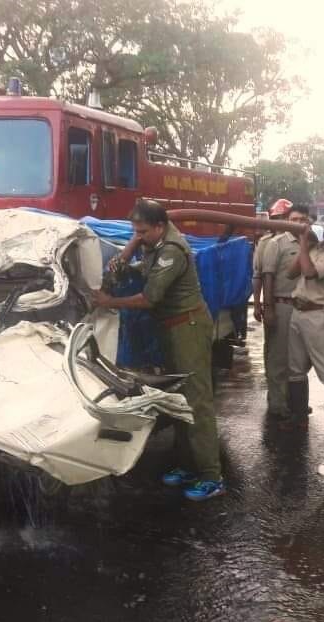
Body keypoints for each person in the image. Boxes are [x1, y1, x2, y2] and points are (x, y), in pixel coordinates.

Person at [94, 199, 224, 501]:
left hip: (188, 327)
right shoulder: (153, 242)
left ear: (160, 226)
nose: (137, 236)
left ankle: (211, 476)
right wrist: (130, 246)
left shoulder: (171, 251)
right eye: (134, 231)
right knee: (178, 399)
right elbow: (127, 267)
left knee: (197, 401)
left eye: (142, 231)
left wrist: (107, 301)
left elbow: (149, 298)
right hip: (171, 327)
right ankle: (188, 465)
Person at [259, 204, 309, 421]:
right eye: (295, 219)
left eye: (303, 219)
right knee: (278, 358)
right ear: (287, 220)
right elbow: (267, 276)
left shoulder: (309, 243)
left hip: (303, 308)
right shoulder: (276, 243)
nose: (299, 223)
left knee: (299, 360)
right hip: (282, 305)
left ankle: (296, 404)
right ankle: (278, 404)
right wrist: (268, 308)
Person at [284, 215, 324, 441]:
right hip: (299, 312)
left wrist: (303, 243)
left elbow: (310, 273)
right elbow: (291, 273)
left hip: (319, 315)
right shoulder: (314, 249)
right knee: (295, 370)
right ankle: (299, 417)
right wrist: (307, 245)